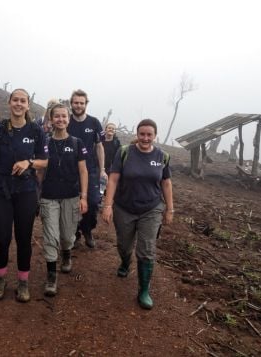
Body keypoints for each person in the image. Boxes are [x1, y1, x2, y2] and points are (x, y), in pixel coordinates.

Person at [0, 88, 48, 303]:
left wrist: (28, 162)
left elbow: (45, 161)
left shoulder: (36, 131)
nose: (19, 104)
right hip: (0, 190)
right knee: (1, 238)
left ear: (28, 105)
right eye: (15, 100)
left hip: (26, 191)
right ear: (9, 103)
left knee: (24, 238)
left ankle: (23, 282)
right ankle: (0, 279)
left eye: (23, 101)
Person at [101, 119, 174, 310]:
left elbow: (166, 183)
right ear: (137, 134)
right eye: (142, 134)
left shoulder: (162, 156)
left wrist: (170, 209)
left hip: (151, 208)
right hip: (124, 207)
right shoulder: (125, 152)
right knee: (124, 245)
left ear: (155, 136)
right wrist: (107, 205)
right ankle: (125, 261)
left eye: (149, 134)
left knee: (147, 249)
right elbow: (114, 179)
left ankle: (143, 290)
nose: (145, 138)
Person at [37, 103, 88, 297]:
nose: (60, 119)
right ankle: (51, 275)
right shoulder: (45, 142)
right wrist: (37, 193)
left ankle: (66, 254)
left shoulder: (77, 143)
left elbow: (83, 171)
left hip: (71, 196)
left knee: (67, 236)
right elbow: (40, 170)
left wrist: (84, 197)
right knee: (51, 236)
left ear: (68, 119)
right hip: (49, 196)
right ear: (51, 119)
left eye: (63, 116)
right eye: (56, 116)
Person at [67, 89, 105, 248]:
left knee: (93, 201)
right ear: (71, 103)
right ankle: (75, 234)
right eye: (76, 102)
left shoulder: (94, 122)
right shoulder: (66, 121)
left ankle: (87, 229)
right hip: (69, 169)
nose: (78, 105)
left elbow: (99, 147)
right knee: (72, 202)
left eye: (81, 103)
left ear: (86, 104)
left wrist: (102, 169)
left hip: (90, 169)